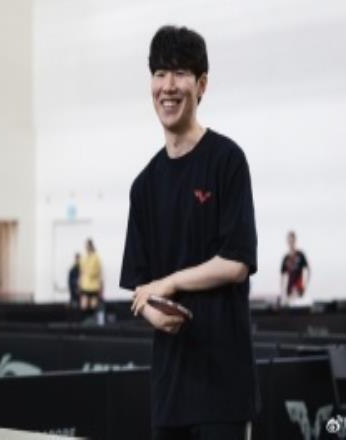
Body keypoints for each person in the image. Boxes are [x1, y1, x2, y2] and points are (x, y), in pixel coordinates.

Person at [120, 25, 259, 440]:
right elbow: (139, 285)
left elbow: (236, 262)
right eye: (159, 73)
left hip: (223, 388)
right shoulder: (143, 186)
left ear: (201, 85)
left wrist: (171, 282)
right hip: (169, 392)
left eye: (180, 73)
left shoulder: (227, 161)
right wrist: (151, 311)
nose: (168, 86)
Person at [280, 231, 311, 302]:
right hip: (289, 291)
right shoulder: (285, 258)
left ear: (295, 240)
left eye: (292, 240)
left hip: (299, 289)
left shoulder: (300, 254)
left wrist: (305, 285)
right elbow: (282, 276)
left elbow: (308, 271)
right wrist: (282, 292)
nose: (291, 242)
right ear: (287, 241)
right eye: (289, 240)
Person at [79, 239, 103, 310]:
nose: (86, 248)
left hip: (94, 286)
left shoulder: (96, 257)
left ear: (91, 246)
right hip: (85, 285)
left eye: (87, 246)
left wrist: (100, 285)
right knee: (84, 305)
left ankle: (91, 316)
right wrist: (80, 282)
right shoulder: (84, 258)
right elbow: (81, 271)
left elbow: (98, 272)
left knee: (93, 306)